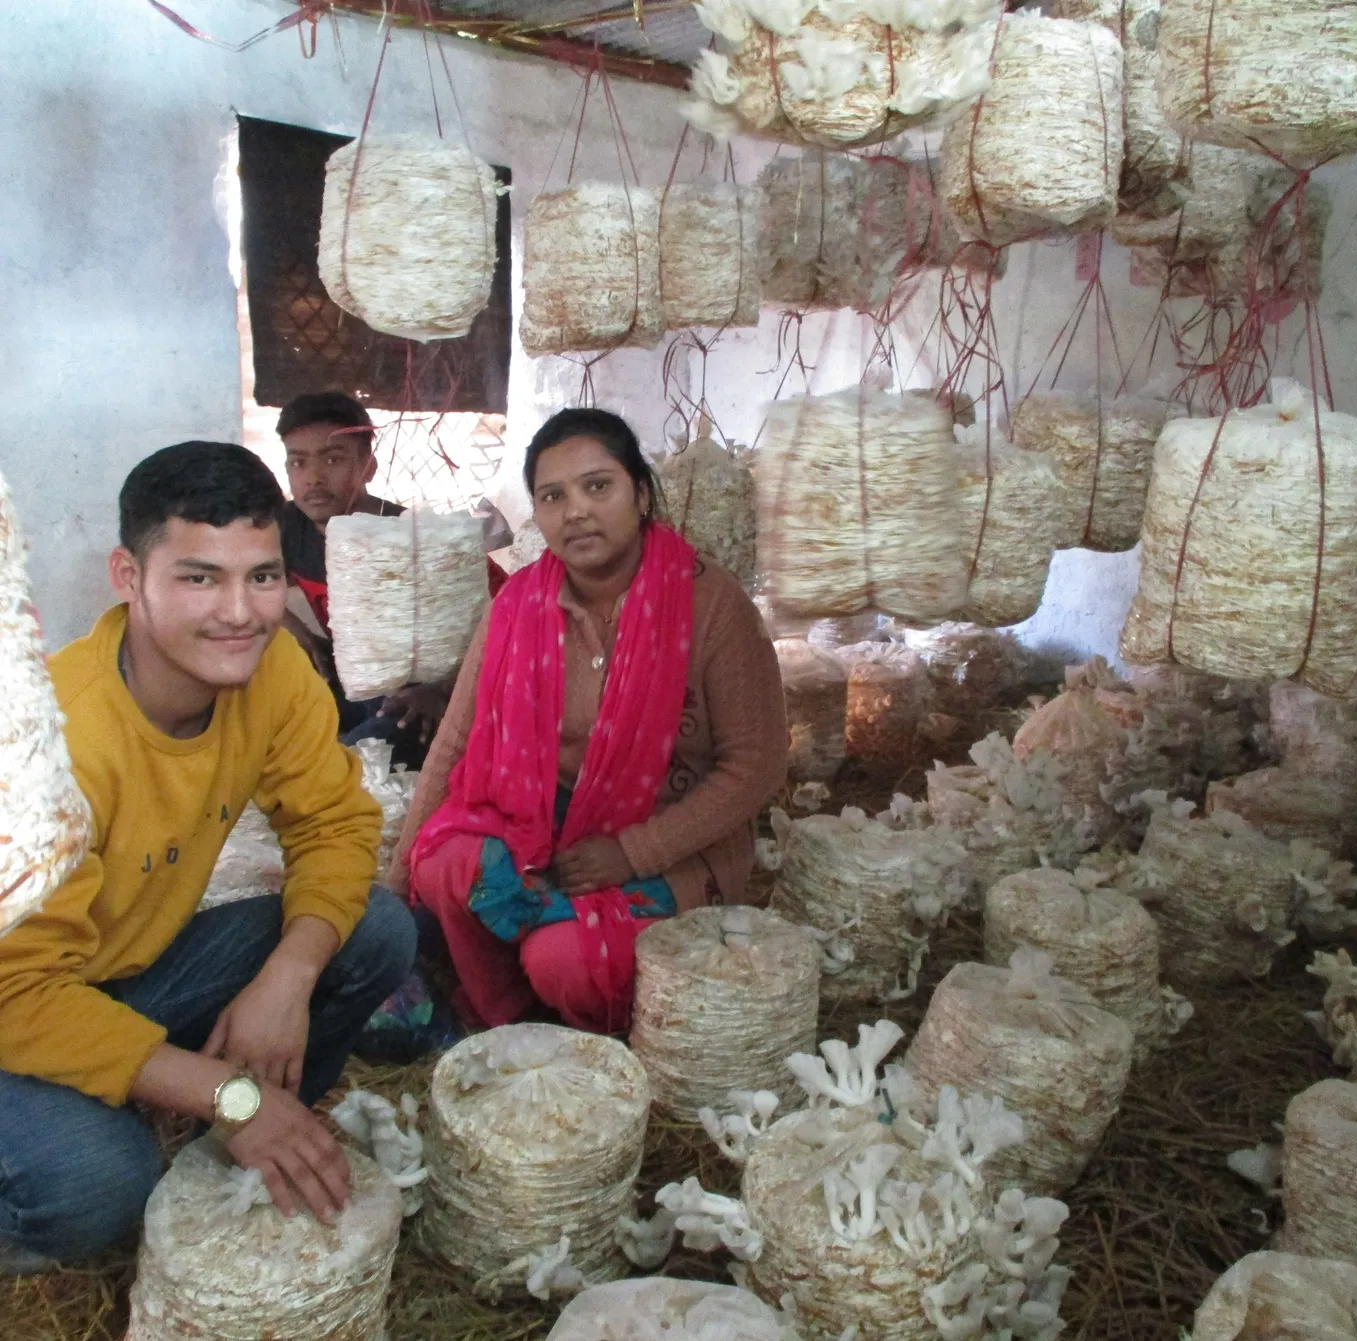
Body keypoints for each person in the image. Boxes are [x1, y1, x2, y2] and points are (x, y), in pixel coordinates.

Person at [0, 442, 416, 1271]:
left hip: (121, 976)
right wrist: (227, 1090)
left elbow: (334, 824)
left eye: (262, 575)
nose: (241, 612)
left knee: (373, 928)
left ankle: (240, 1131)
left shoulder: (274, 670)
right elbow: (16, 992)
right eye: (200, 577)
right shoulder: (56, 744)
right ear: (128, 576)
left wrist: (287, 977)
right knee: (100, 1183)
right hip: (16, 1015)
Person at [387, 408, 788, 1034]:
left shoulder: (710, 607)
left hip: (668, 837)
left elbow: (758, 765)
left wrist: (632, 852)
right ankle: (509, 1015)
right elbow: (455, 742)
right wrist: (398, 872)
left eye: (597, 486)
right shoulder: (517, 605)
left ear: (642, 494)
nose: (574, 510)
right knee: (445, 863)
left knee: (567, 963)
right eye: (552, 496)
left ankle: (573, 993)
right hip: (544, 827)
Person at [275, 392, 510, 767]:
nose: (313, 478)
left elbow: (512, 618)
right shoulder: (289, 527)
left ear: (367, 467)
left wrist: (445, 688)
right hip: (348, 682)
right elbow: (240, 583)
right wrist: (306, 640)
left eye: (333, 459)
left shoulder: (417, 539)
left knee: (367, 751)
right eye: (298, 462)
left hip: (419, 698)